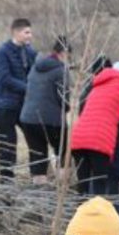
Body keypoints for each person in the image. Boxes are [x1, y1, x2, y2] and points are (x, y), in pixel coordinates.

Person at [69, 62, 119, 196]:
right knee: (100, 187)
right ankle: (106, 215)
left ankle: (80, 215)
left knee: (83, 188)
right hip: (99, 142)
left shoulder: (96, 86)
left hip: (78, 140)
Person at [19, 36, 71, 185]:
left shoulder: (35, 66)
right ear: (64, 53)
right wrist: (67, 108)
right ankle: (62, 190)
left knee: (37, 155)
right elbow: (64, 98)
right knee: (63, 152)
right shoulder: (61, 70)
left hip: (28, 118)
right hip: (51, 120)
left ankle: (39, 195)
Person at [0, 19, 37, 182]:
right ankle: (6, 180)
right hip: (5, 104)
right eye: (26, 32)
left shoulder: (30, 51)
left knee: (35, 139)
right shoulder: (2, 52)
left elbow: (35, 71)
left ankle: (37, 176)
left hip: (24, 104)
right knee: (7, 144)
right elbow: (4, 78)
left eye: (30, 32)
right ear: (16, 32)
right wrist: (28, 87)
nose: (30, 35)